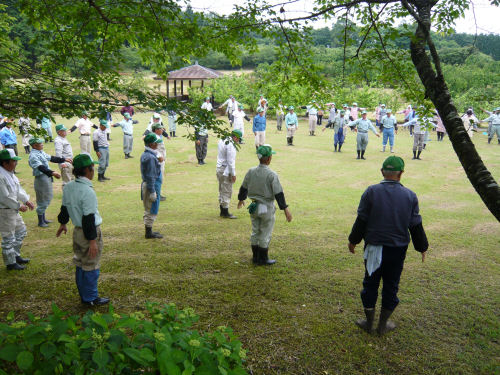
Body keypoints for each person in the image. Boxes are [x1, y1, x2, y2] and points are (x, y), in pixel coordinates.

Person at [348, 156, 428, 335]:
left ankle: (369, 324)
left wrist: (353, 240)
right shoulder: (410, 195)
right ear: (401, 174)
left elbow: (361, 220)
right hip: (397, 251)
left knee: (370, 284)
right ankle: (382, 326)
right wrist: (422, 247)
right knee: (391, 285)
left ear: (382, 172)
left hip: (373, 249)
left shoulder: (371, 192)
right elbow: (415, 224)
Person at [56, 153, 110, 306]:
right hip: (88, 233)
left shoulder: (69, 186)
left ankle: (84, 295)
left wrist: (62, 223)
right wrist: (92, 240)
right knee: (91, 265)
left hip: (77, 232)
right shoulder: (88, 192)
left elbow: (64, 208)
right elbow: (88, 218)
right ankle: (91, 298)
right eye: (92, 168)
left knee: (80, 263)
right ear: (88, 170)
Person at [237, 144, 292, 265]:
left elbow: (243, 187)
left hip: (254, 206)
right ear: (269, 159)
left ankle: (255, 257)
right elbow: (278, 193)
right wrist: (285, 209)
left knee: (255, 230)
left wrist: (241, 199)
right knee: (265, 231)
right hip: (266, 207)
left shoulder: (251, 171)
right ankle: (263, 258)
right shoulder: (272, 174)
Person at [0, 149, 34, 271]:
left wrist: (26, 200)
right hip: (5, 211)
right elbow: (4, 197)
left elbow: (17, 190)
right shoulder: (0, 176)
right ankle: (10, 263)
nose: (16, 163)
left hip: (13, 210)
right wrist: (18, 205)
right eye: (13, 161)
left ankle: (15, 255)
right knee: (8, 237)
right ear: (5, 163)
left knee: (21, 231)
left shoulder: (10, 173)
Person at [28, 137, 70, 227]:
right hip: (41, 178)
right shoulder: (33, 156)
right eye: (40, 143)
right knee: (42, 199)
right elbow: (40, 167)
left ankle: (43, 218)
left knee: (47, 197)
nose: (42, 144)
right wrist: (52, 173)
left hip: (45, 177)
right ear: (35, 145)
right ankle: (40, 221)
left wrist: (63, 159)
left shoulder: (40, 152)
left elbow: (51, 158)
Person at [140, 133, 164, 239]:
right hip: (151, 185)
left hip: (152, 185)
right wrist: (153, 191)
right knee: (150, 208)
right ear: (151, 144)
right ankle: (148, 232)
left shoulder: (149, 154)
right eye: (156, 143)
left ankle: (149, 229)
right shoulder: (150, 157)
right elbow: (150, 176)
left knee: (151, 207)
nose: (158, 145)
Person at [216, 130, 242, 219]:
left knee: (221, 189)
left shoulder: (222, 140)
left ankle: (222, 210)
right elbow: (231, 162)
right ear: (235, 137)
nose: (238, 141)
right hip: (225, 169)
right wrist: (233, 174)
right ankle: (225, 211)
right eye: (238, 139)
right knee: (227, 190)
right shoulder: (230, 145)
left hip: (219, 168)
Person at [197, 98, 212, 165]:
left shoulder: (206, 121)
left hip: (204, 135)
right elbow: (196, 131)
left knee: (204, 149)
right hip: (200, 136)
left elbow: (206, 129)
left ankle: (203, 159)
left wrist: (207, 137)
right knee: (199, 149)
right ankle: (199, 160)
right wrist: (197, 139)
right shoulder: (198, 122)